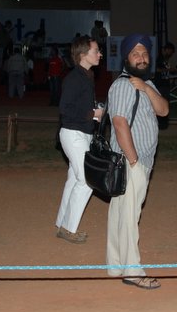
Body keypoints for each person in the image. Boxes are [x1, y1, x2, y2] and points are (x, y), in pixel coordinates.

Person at [106, 34, 168, 289]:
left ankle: (115, 265)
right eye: (135, 54)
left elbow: (163, 110)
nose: (141, 58)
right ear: (126, 58)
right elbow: (119, 123)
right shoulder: (123, 85)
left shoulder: (145, 84)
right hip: (130, 160)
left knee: (121, 212)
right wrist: (133, 161)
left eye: (144, 54)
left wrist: (146, 88)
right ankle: (132, 270)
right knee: (130, 216)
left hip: (137, 160)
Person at [54, 36, 104, 244]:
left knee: (75, 179)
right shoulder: (75, 78)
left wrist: (93, 114)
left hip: (80, 133)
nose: (100, 54)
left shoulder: (86, 76)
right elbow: (65, 109)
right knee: (86, 181)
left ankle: (62, 223)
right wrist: (92, 114)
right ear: (83, 55)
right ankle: (68, 228)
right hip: (73, 134)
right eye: (96, 51)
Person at [155, 41, 177, 129]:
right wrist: (168, 70)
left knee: (165, 104)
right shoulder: (159, 59)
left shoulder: (165, 60)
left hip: (165, 85)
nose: (171, 53)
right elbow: (156, 70)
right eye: (170, 51)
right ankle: (160, 124)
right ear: (166, 49)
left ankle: (164, 124)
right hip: (160, 85)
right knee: (161, 104)